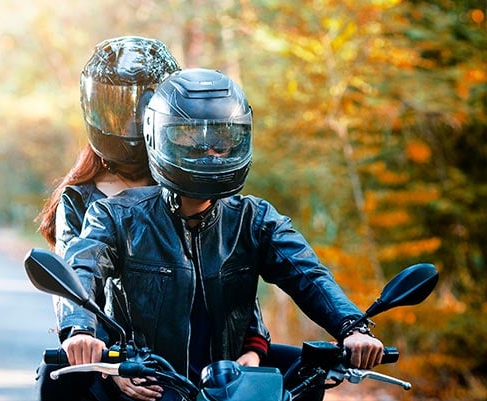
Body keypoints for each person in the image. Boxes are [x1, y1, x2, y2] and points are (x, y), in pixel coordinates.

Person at [59, 68, 384, 401]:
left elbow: (307, 274)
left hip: (231, 383)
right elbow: (83, 268)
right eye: (192, 142)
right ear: (158, 138)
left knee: (307, 377)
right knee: (58, 383)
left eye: (222, 142)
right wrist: (82, 331)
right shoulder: (117, 216)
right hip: (148, 382)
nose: (210, 154)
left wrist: (352, 327)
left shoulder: (254, 219)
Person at [35, 38, 271, 401]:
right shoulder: (79, 198)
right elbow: (79, 285)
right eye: (118, 110)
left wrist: (252, 345)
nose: (130, 120)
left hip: (208, 358)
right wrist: (110, 365)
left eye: (141, 107)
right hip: (121, 361)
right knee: (56, 382)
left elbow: (229, 263)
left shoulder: (189, 177)